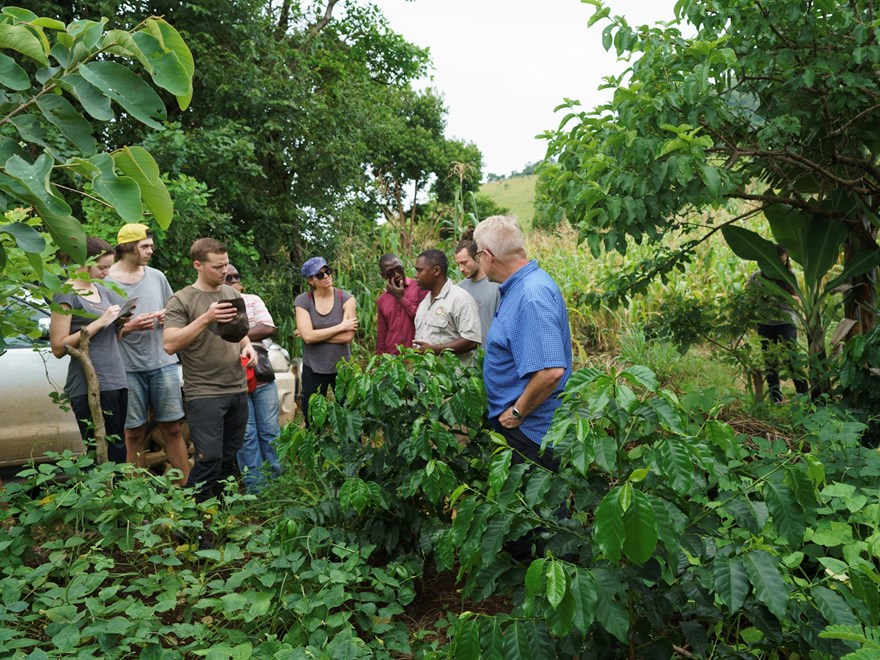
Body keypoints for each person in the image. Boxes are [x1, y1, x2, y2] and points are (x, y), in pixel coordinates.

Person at [473, 216, 572, 472]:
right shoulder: (522, 287)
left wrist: (517, 413)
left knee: (541, 509)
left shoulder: (530, 296)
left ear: (488, 255)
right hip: (525, 429)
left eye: (477, 256)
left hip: (531, 433)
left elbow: (550, 371)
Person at [163, 238, 257, 502]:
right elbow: (170, 344)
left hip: (237, 389)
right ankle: (191, 521)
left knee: (228, 461)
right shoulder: (181, 299)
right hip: (204, 393)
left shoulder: (231, 294)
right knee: (209, 459)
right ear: (198, 265)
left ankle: (220, 519)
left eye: (226, 264)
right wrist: (206, 317)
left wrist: (248, 347)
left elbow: (240, 334)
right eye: (217, 267)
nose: (224, 271)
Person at [107, 223, 190, 485]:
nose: (150, 251)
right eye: (145, 246)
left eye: (151, 246)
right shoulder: (105, 279)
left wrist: (169, 318)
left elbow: (173, 311)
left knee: (173, 428)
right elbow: (99, 332)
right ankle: (136, 496)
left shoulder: (157, 276)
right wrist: (128, 327)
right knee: (133, 432)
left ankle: (186, 492)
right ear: (128, 248)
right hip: (126, 366)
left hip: (162, 362)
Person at [50, 237, 130, 463]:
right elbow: (58, 346)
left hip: (116, 378)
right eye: (101, 267)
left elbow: (112, 339)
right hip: (88, 382)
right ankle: (101, 496)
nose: (107, 272)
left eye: (109, 267)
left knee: (118, 446)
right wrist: (101, 321)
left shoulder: (105, 291)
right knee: (100, 450)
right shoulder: (67, 293)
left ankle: (117, 495)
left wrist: (120, 322)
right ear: (83, 263)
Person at [225, 264, 282, 491]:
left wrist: (234, 335)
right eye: (228, 277)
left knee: (270, 431)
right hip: (232, 375)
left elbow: (268, 328)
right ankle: (256, 491)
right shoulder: (213, 305)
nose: (233, 280)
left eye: (236, 276)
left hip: (260, 373)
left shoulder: (252, 300)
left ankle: (279, 485)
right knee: (246, 435)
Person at [294, 257, 357, 426]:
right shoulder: (303, 300)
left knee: (349, 415)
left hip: (342, 366)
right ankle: (315, 450)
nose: (326, 276)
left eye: (327, 271)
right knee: (312, 417)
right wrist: (341, 326)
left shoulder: (346, 298)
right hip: (313, 367)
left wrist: (314, 335)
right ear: (310, 280)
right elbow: (307, 337)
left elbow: (348, 337)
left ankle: (352, 451)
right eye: (320, 275)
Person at [748, 244, 809, 403]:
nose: (781, 265)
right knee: (770, 361)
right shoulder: (756, 277)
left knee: (791, 357)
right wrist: (763, 297)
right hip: (765, 323)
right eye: (778, 262)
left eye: (784, 262)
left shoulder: (790, 276)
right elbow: (749, 301)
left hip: (786, 321)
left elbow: (798, 301)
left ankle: (803, 393)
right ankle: (775, 398)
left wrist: (781, 295)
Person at [412, 249, 481, 366]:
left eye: (420, 271)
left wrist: (433, 349)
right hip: (427, 380)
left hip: (453, 380)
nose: (416, 276)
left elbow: (472, 341)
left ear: (436, 270)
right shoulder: (424, 303)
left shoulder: (460, 299)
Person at [455, 228, 500, 346]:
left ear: (477, 257)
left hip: (493, 356)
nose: (461, 269)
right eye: (458, 264)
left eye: (464, 263)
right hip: (467, 360)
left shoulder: (497, 285)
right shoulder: (459, 290)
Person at [376, 253, 427, 355]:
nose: (397, 274)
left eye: (399, 269)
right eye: (390, 273)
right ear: (383, 276)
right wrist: (379, 360)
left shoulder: (419, 288)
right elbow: (382, 334)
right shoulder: (382, 300)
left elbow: (424, 319)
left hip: (415, 355)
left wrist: (400, 298)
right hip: (392, 357)